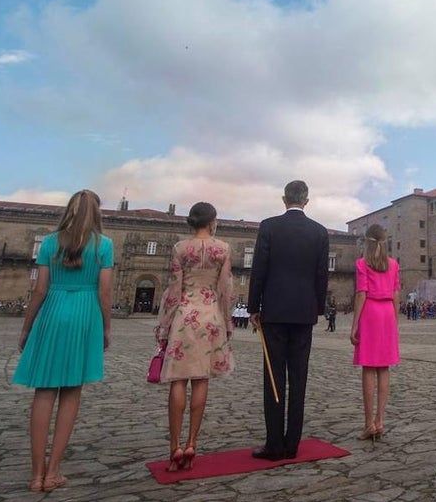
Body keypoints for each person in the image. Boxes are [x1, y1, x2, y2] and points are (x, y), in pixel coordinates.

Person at [12, 189, 113, 493]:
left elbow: (39, 289)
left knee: (44, 391)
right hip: (85, 315)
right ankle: (54, 470)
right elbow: (105, 293)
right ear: (97, 213)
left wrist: (27, 327)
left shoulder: (50, 242)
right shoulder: (104, 245)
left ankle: (35, 474)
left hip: (52, 313)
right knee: (71, 391)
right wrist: (106, 328)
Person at [249, 180, 330, 461]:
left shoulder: (269, 226)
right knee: (299, 378)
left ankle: (274, 444)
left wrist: (253, 306)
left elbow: (259, 268)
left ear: (284, 199)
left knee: (273, 377)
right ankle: (292, 442)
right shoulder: (319, 232)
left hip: (273, 310)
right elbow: (322, 274)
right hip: (304, 312)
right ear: (306, 200)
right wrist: (317, 307)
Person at [155, 202, 234, 472]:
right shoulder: (223, 249)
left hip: (184, 316)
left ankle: (174, 446)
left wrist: (164, 324)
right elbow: (225, 289)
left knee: (178, 380)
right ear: (213, 222)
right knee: (201, 379)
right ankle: (192, 443)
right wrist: (228, 321)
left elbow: (173, 289)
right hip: (210, 315)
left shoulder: (180, 249)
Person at [350, 224, 401, 440]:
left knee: (369, 368)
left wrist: (354, 325)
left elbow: (361, 294)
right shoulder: (393, 264)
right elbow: (397, 294)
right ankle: (380, 421)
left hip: (370, 312)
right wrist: (395, 321)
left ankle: (368, 423)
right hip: (388, 312)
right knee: (384, 368)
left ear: (367, 243)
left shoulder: (362, 264)